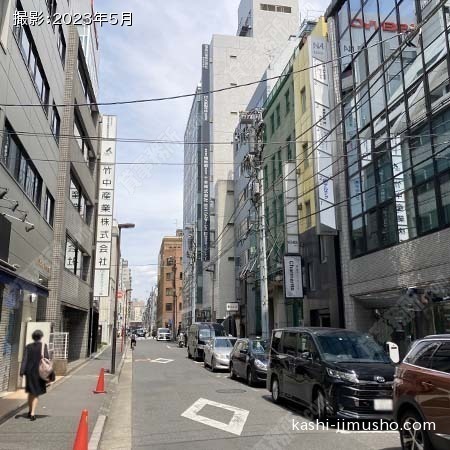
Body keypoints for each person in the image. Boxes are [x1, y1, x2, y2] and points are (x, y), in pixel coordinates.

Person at [20, 330, 55, 421]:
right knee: (35, 393)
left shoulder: (28, 346)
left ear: (33, 337)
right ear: (40, 337)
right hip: (39, 373)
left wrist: (22, 371)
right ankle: (32, 413)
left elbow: (25, 359)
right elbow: (46, 359)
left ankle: (29, 411)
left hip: (29, 372)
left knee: (30, 392)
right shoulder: (43, 346)